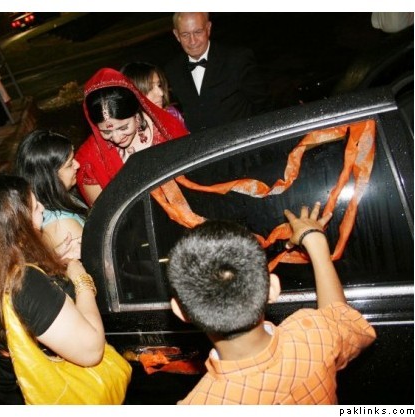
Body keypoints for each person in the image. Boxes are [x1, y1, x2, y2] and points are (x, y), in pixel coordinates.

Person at [166, 202, 377, 404]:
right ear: (273, 289)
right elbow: (344, 319)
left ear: (179, 311)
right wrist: (315, 242)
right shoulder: (314, 336)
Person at [0, 174, 105, 404]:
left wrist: (54, 263)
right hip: (50, 390)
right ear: (15, 226)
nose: (43, 207)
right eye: (34, 207)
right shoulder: (25, 283)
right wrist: (80, 277)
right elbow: (91, 350)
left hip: (9, 384)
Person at [75, 67, 189, 206]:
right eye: (106, 132)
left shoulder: (166, 129)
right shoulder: (89, 159)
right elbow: (105, 211)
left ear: (136, 115)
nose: (117, 138)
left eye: (123, 128)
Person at [165, 12, 270, 133]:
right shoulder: (172, 70)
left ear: (208, 28)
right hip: (199, 144)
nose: (192, 41)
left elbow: (264, 105)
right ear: (176, 35)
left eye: (198, 32)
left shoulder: (237, 59)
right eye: (185, 34)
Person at [13, 129, 87, 259]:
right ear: (50, 177)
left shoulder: (57, 198)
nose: (77, 165)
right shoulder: (63, 227)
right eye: (69, 164)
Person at [120, 61, 186, 128]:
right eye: (150, 88)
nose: (161, 93)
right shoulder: (125, 128)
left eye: (159, 85)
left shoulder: (172, 114)